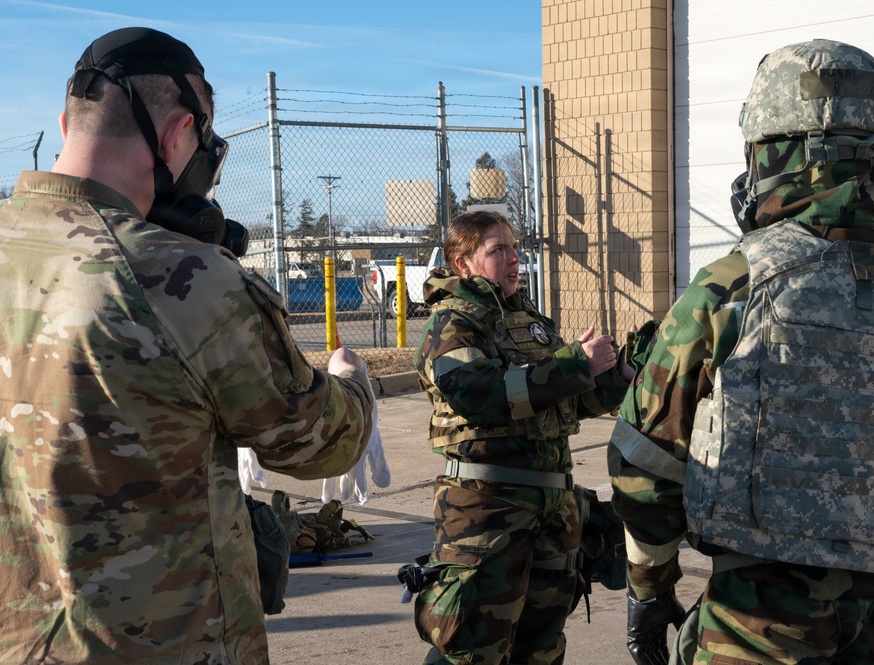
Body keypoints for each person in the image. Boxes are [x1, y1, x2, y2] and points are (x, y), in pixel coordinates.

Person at [608, 39, 874, 665]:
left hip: (756, 630)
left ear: (769, 149)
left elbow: (642, 470)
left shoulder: (729, 291)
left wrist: (650, 589)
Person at [0, 27, 373, 663]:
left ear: (66, 123)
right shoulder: (185, 279)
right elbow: (319, 443)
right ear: (177, 135)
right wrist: (353, 381)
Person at [409, 209, 634, 665]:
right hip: (488, 512)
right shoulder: (452, 323)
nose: (513, 259)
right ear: (463, 264)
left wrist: (618, 376)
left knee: (542, 646)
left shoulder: (530, 321)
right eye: (498, 250)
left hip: (552, 511)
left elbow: (561, 404)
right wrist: (573, 366)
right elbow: (478, 394)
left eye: (515, 249)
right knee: (473, 646)